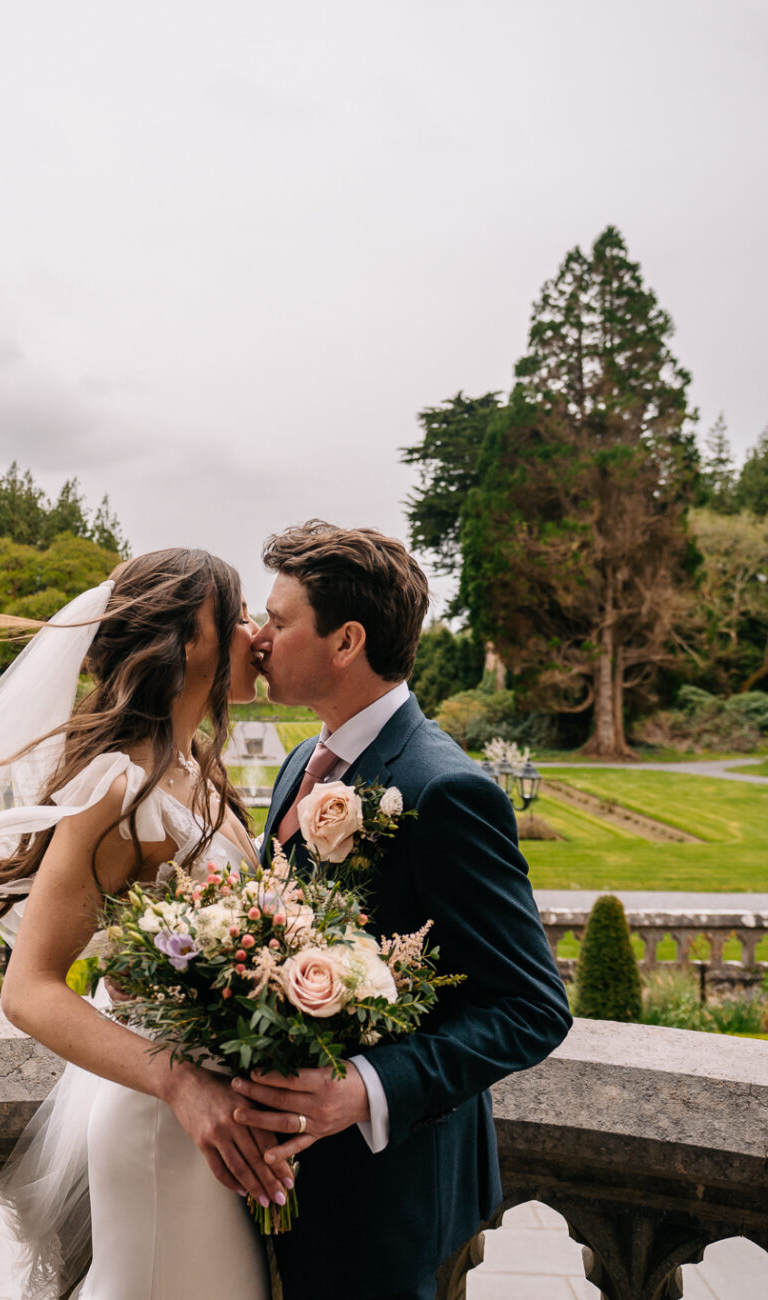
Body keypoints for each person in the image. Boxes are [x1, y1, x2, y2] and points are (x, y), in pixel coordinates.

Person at [0, 547, 282, 1299]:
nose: (255, 630)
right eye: (235, 616)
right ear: (185, 643)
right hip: (163, 1128)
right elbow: (30, 990)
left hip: (213, 1130)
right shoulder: (116, 787)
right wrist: (184, 1087)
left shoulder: (193, 766)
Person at [229, 520, 571, 1300]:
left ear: (346, 641)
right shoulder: (301, 761)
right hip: (288, 1179)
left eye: (278, 622)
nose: (257, 638)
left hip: (384, 1202)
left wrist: (363, 1089)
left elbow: (531, 1006)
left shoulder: (445, 790)